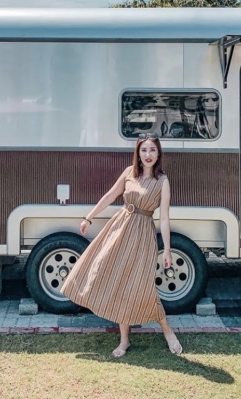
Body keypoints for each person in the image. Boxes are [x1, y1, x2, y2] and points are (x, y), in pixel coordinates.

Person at [61, 133, 182, 358]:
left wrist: (166, 250)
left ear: (158, 154)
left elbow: (164, 218)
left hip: (142, 235)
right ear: (138, 153)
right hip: (119, 229)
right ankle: (124, 340)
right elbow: (110, 196)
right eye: (144, 150)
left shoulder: (162, 181)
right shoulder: (129, 173)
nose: (148, 154)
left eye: (152, 150)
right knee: (115, 278)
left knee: (142, 285)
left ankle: (167, 329)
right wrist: (89, 217)